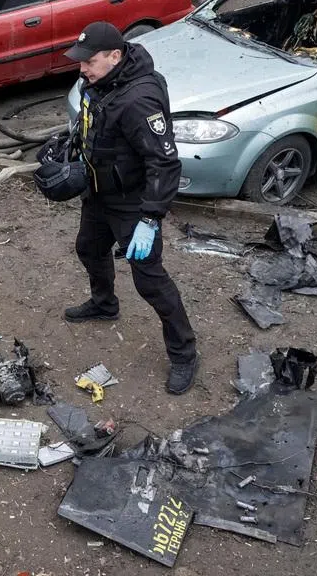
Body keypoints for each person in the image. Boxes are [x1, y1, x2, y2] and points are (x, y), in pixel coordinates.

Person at [63, 22, 198, 395]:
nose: (82, 69)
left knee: (149, 279)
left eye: (88, 62)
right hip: (99, 193)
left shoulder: (139, 100)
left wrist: (150, 219)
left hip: (132, 204)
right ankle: (104, 304)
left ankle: (185, 353)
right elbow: (92, 125)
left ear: (115, 56)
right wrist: (67, 146)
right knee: (88, 248)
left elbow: (166, 163)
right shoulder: (99, 83)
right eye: (81, 62)